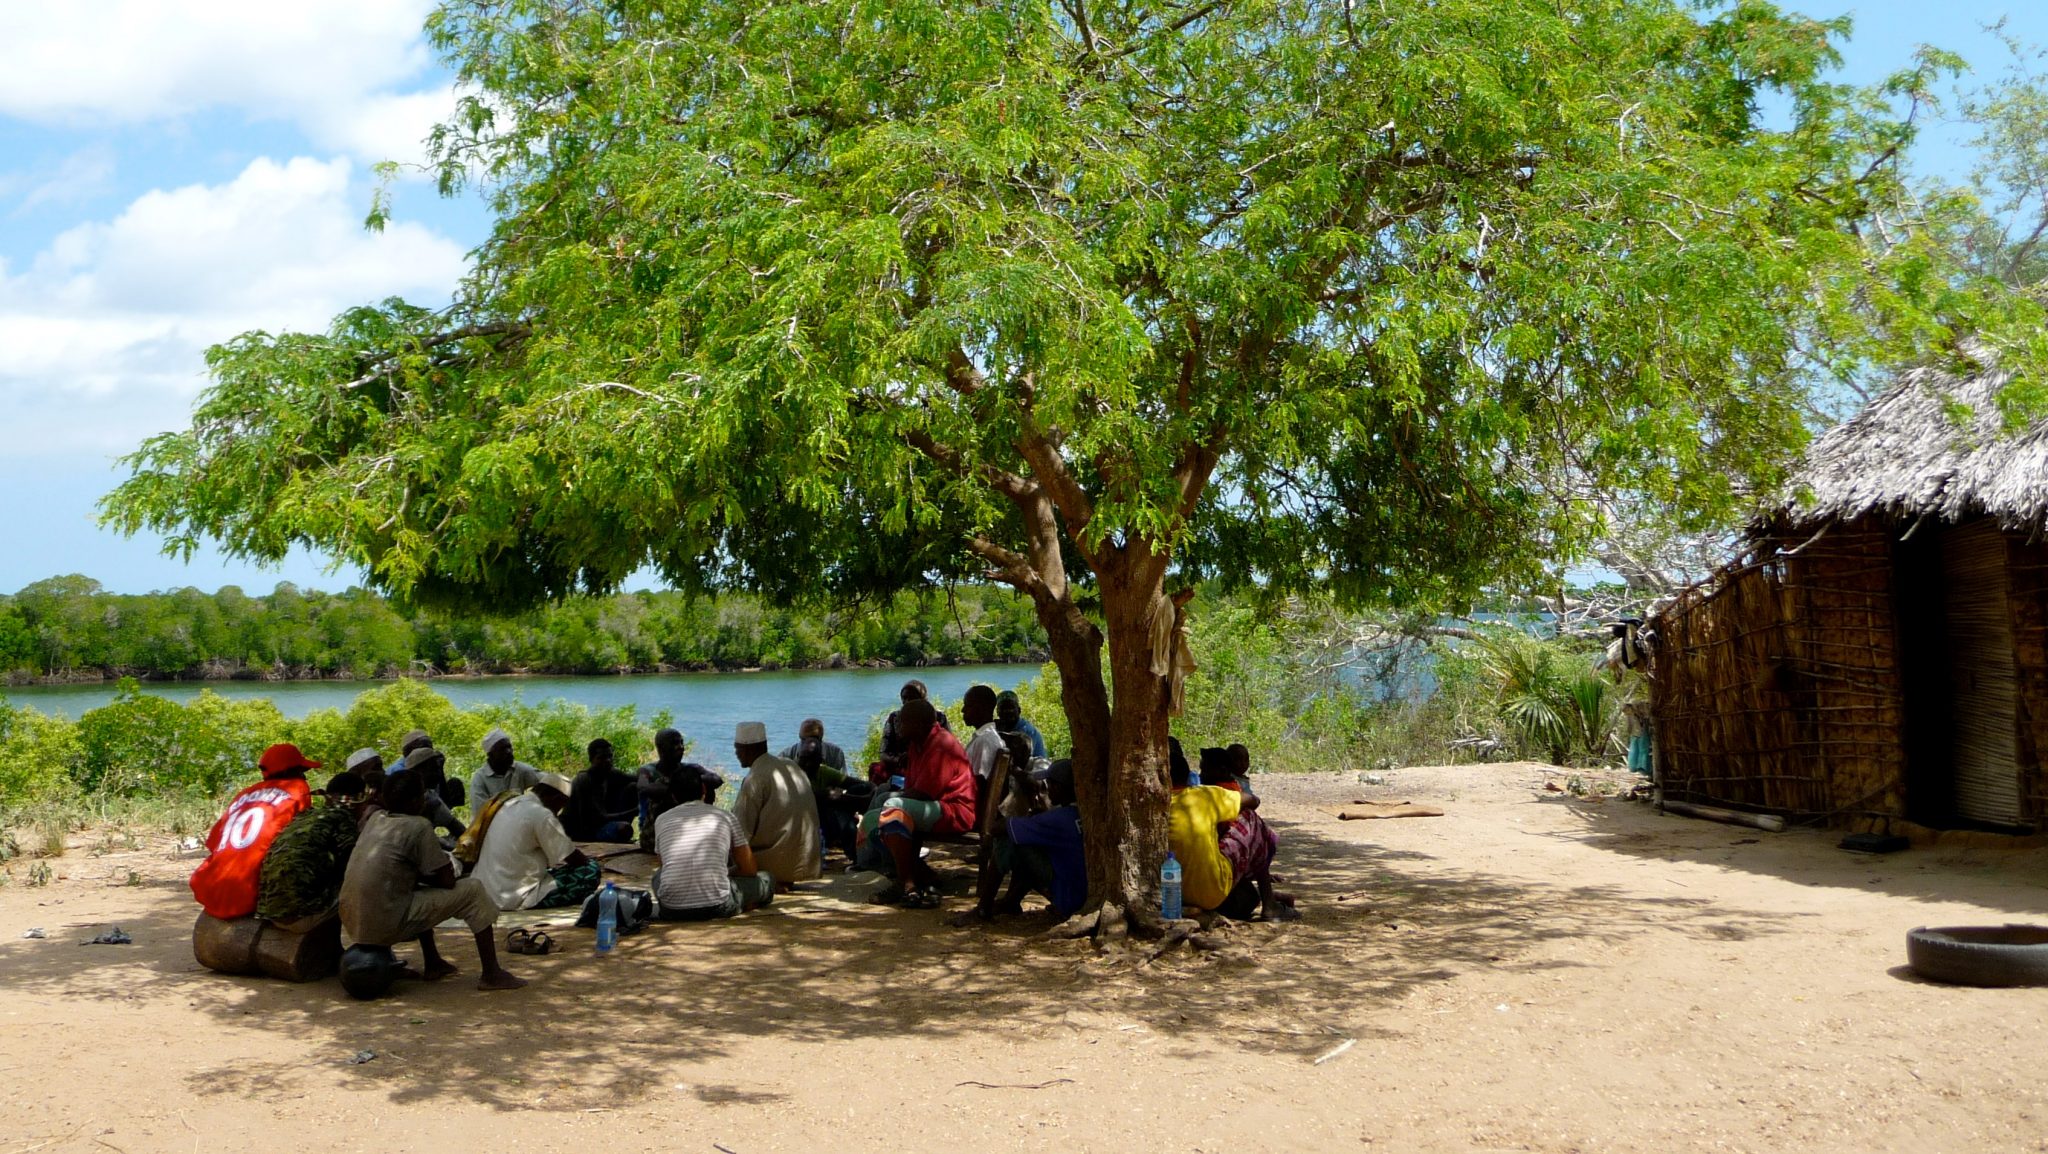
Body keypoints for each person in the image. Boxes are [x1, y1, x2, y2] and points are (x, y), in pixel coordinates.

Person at [338, 769, 524, 991]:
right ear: (417, 800)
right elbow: (446, 881)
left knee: (415, 888)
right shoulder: (418, 826)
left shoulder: (375, 819)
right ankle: (492, 974)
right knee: (473, 890)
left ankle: (433, 962)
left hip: (353, 922)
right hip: (385, 924)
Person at [861, 697, 975, 909]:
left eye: (903, 722)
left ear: (919, 723)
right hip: (930, 807)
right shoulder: (916, 745)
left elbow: (925, 792)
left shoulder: (941, 744)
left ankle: (906, 884)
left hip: (952, 810)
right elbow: (913, 788)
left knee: (891, 807)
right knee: (869, 821)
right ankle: (924, 875)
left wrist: (893, 799)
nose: (898, 725)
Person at [190, 743, 319, 921]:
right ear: (295, 770)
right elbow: (299, 838)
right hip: (250, 893)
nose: (304, 775)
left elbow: (213, 842)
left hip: (210, 888)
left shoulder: (244, 793)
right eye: (302, 770)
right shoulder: (298, 788)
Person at [651, 769, 773, 920]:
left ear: (673, 795)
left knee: (657, 876)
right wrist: (726, 872)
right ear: (704, 789)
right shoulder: (726, 817)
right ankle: (744, 904)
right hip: (718, 907)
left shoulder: (662, 820)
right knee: (767, 879)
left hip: (672, 910)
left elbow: (665, 866)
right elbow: (750, 869)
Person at [470, 772, 599, 911]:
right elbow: (576, 859)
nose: (558, 812)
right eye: (560, 806)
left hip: (485, 892)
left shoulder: (509, 803)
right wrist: (589, 861)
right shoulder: (541, 814)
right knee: (590, 870)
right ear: (555, 798)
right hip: (513, 897)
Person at [256, 771, 363, 926]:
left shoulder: (305, 816)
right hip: (303, 914)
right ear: (358, 801)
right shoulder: (343, 818)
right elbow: (352, 866)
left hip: (270, 913)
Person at [731, 721, 821, 892]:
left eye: (738, 748)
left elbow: (740, 831)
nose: (736, 754)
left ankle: (771, 879)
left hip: (776, 862)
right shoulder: (790, 765)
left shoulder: (755, 778)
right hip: (806, 861)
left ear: (748, 749)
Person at [1212, 745, 1298, 920]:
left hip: (1209, 879)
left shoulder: (1202, 791)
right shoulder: (1215, 791)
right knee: (1252, 823)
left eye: (1246, 759)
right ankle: (1269, 902)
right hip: (1215, 878)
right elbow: (1254, 801)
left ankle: (1269, 897)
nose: (1243, 763)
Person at [1004, 758, 1088, 919]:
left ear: (1059, 787)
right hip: (1084, 896)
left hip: (1069, 901)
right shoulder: (1084, 814)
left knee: (1018, 840)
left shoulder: (1058, 819)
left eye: (1048, 785)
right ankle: (1010, 901)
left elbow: (999, 828)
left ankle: (987, 906)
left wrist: (1029, 820)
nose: (1047, 791)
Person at [1166, 751, 1239, 916]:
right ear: (1187, 776)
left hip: (1166, 894)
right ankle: (1268, 900)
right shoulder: (1205, 794)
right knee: (1250, 819)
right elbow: (1253, 801)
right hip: (1212, 893)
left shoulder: (1152, 804)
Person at [636, 727, 713, 851]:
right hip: (655, 833)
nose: (680, 747)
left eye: (681, 742)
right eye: (674, 743)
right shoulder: (648, 771)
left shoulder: (689, 768)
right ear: (660, 748)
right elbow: (643, 788)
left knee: (706, 788)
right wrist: (677, 786)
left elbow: (716, 779)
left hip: (685, 827)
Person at [798, 736, 871, 862]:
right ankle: (856, 855)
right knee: (839, 812)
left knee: (857, 791)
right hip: (805, 822)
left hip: (827, 817)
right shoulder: (791, 773)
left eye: (812, 760)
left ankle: (858, 853)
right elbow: (813, 796)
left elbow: (858, 784)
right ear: (798, 757)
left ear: (820, 761)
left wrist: (868, 791)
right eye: (803, 759)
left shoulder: (823, 772)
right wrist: (829, 795)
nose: (807, 764)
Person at [566, 738, 639, 842]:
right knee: (624, 829)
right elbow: (598, 818)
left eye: (610, 756)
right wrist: (635, 811)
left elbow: (636, 779)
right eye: (602, 758)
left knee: (633, 787)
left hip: (602, 821)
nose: (608, 761)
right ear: (591, 760)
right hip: (585, 832)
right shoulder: (584, 780)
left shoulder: (611, 773)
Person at [875, 679, 949, 780]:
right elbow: (883, 753)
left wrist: (915, 760)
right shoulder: (895, 718)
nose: (908, 701)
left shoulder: (938, 717)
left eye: (913, 698)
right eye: (904, 698)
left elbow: (946, 749)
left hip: (926, 765)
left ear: (923, 699)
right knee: (877, 770)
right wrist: (898, 760)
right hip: (899, 765)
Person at [398, 745, 468, 842]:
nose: (439, 774)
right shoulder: (404, 800)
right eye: (434, 769)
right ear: (419, 771)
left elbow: (457, 828)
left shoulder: (430, 796)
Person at [469, 728, 540, 809]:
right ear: (490, 755)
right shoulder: (480, 779)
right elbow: (481, 814)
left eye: (509, 747)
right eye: (502, 749)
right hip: (493, 821)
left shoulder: (519, 769)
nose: (509, 751)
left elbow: (547, 780)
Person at [994, 690, 1047, 760]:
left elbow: (1020, 760)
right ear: (998, 712)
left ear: (1019, 710)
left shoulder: (1028, 731)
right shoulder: (997, 728)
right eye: (1003, 708)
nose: (1008, 711)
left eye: (1011, 707)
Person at [779, 718, 846, 773]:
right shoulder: (786, 756)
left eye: (814, 739)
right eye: (805, 739)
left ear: (821, 738)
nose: (810, 743)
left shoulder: (836, 753)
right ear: (800, 737)